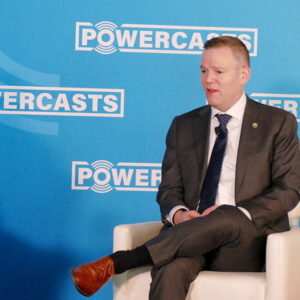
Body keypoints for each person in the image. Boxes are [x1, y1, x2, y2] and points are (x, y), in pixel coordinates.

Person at [70, 36, 300, 299]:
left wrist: (239, 213)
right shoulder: (184, 125)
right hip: (190, 239)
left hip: (246, 241)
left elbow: (288, 190)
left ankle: (122, 261)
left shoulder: (277, 123)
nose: (208, 79)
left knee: (227, 215)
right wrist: (179, 215)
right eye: (203, 71)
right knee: (171, 269)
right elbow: (169, 190)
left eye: (218, 72)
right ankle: (136, 257)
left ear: (243, 74)